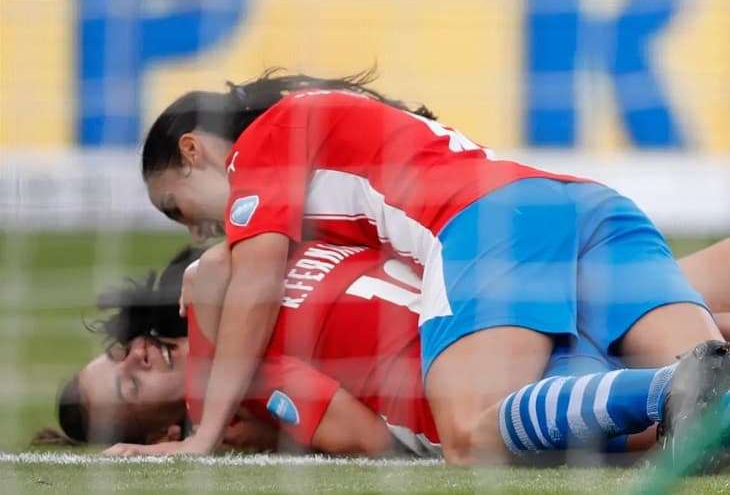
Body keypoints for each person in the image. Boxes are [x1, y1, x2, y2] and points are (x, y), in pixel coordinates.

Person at [138, 69, 722, 462]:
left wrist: (205, 434)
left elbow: (255, 282)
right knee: (712, 410)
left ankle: (665, 390)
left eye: (178, 206)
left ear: (192, 150)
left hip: (490, 222)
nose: (196, 230)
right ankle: (678, 385)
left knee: (470, 437)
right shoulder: (318, 126)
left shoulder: (259, 147)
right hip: (579, 205)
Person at [62, 239, 728, 463]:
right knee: (695, 361)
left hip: (504, 313)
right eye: (126, 386)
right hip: (495, 367)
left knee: (691, 331)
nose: (139, 356)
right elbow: (365, 437)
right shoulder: (243, 379)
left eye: (123, 353)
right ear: (167, 432)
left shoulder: (257, 268)